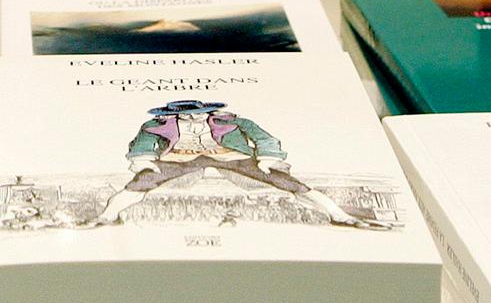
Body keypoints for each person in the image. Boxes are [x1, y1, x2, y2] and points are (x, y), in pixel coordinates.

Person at [93, 98, 389, 229]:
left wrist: (268, 159)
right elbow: (142, 145)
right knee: (141, 183)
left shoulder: (231, 121)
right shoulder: (156, 125)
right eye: (183, 115)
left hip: (230, 155)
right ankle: (107, 216)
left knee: (287, 183)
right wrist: (145, 161)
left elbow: (264, 137)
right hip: (179, 158)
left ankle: (339, 215)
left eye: (196, 113)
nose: (191, 118)